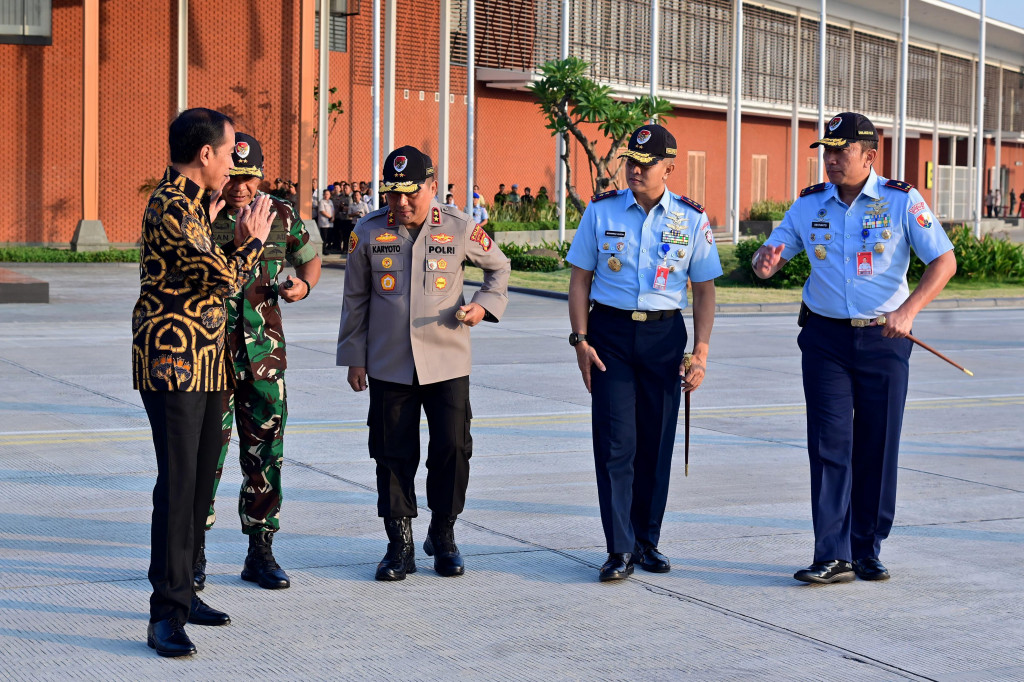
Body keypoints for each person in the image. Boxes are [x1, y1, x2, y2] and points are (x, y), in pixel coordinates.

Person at [751, 112, 956, 584]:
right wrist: (767, 261)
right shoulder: (809, 204)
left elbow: (943, 261)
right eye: (827, 151)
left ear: (870, 154)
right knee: (829, 446)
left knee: (877, 446)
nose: (831, 160)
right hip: (826, 340)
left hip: (885, 339)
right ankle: (832, 552)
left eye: (841, 151)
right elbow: (775, 253)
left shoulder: (901, 201)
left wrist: (909, 311)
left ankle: (867, 547)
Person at [133, 107, 273, 656]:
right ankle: (165, 613)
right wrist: (252, 240)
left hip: (207, 364)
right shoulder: (171, 206)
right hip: (174, 365)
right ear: (205, 154)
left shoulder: (193, 205)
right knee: (177, 484)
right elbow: (223, 276)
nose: (235, 161)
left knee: (197, 486)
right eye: (229, 149)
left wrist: (226, 231)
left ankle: (186, 591)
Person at [337, 145, 510, 581]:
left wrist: (482, 307)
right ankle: (400, 544)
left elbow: (499, 268)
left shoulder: (458, 226)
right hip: (389, 362)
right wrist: (354, 357)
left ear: (432, 186)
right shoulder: (369, 231)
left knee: (453, 447)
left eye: (410, 193)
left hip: (447, 358)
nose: (400, 203)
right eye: (392, 194)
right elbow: (355, 299)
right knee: (392, 452)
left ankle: (444, 533)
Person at [565, 124, 721, 582]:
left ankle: (647, 541)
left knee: (655, 445)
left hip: (664, 335)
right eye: (630, 160)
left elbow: (705, 290)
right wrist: (580, 338)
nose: (634, 168)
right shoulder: (601, 211)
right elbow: (580, 280)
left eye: (645, 162)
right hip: (609, 333)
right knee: (616, 445)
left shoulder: (691, 219)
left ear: (669, 168)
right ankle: (619, 548)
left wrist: (702, 351)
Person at [199, 132, 322, 592]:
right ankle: (194, 553)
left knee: (266, 456)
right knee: (205, 456)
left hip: (265, 360)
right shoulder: (199, 215)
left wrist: (302, 287)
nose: (241, 187)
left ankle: (260, 550)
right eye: (233, 176)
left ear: (260, 175)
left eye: (249, 178)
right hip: (210, 359)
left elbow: (311, 258)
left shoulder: (282, 214)